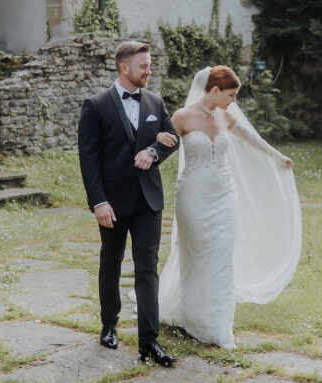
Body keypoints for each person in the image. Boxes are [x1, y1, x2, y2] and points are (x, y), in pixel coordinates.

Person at [158, 65, 302, 348]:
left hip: (224, 195)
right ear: (214, 90)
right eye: (231, 95)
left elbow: (251, 139)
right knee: (196, 255)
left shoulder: (226, 117)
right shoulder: (182, 116)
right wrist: (151, 146)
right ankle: (190, 313)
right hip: (192, 196)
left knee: (222, 257)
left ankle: (218, 327)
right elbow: (164, 147)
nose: (233, 101)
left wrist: (278, 157)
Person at [77, 40, 180, 366]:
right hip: (112, 202)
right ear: (124, 68)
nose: (149, 71)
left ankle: (149, 342)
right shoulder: (96, 105)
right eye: (143, 66)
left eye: (149, 66)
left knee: (147, 269)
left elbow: (171, 138)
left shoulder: (155, 101)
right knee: (111, 262)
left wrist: (153, 152)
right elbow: (88, 160)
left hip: (148, 201)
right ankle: (109, 325)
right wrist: (99, 203)